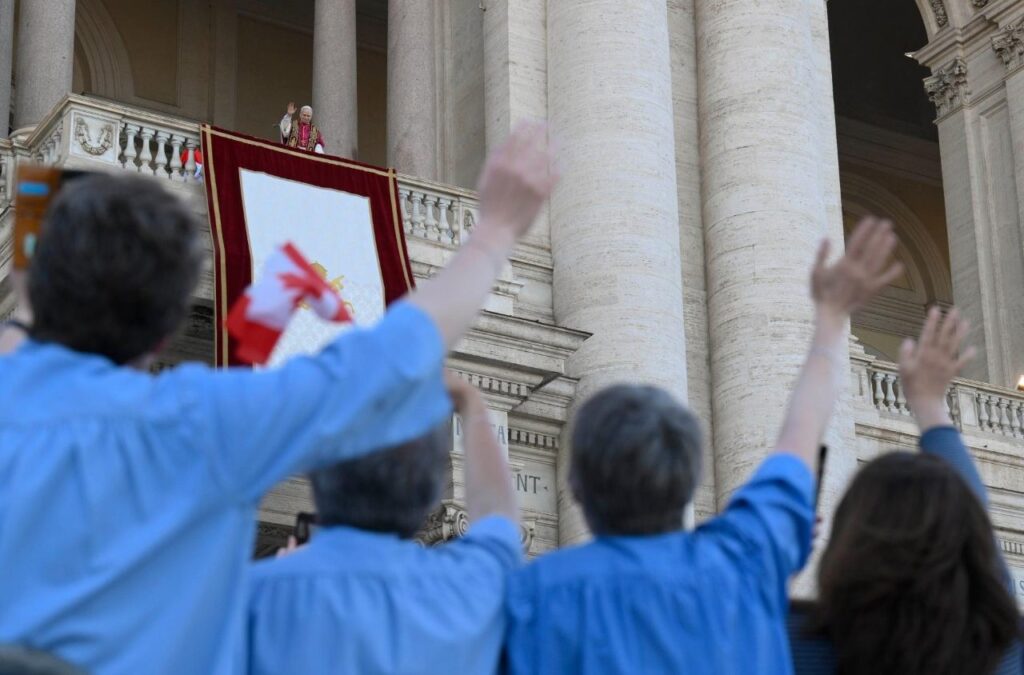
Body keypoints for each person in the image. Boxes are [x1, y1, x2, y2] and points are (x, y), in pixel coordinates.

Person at [0, 121, 556, 675]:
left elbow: (26, 320)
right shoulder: (199, 427)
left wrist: (34, 204)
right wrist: (495, 232)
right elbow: (396, 346)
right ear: (165, 331)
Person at [504, 217, 904, 674]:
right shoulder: (741, 561)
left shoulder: (528, 599)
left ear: (575, 485)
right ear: (691, 477)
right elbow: (802, 429)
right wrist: (830, 320)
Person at [788, 307, 1022, 675]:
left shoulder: (798, 649)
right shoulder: (1002, 652)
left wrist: (784, 555)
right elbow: (983, 549)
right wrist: (932, 405)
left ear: (847, 545)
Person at [246, 375, 520, 674]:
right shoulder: (465, 591)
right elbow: (496, 511)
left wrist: (283, 579)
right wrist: (472, 403)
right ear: (430, 495)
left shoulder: (251, 599)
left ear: (314, 480)